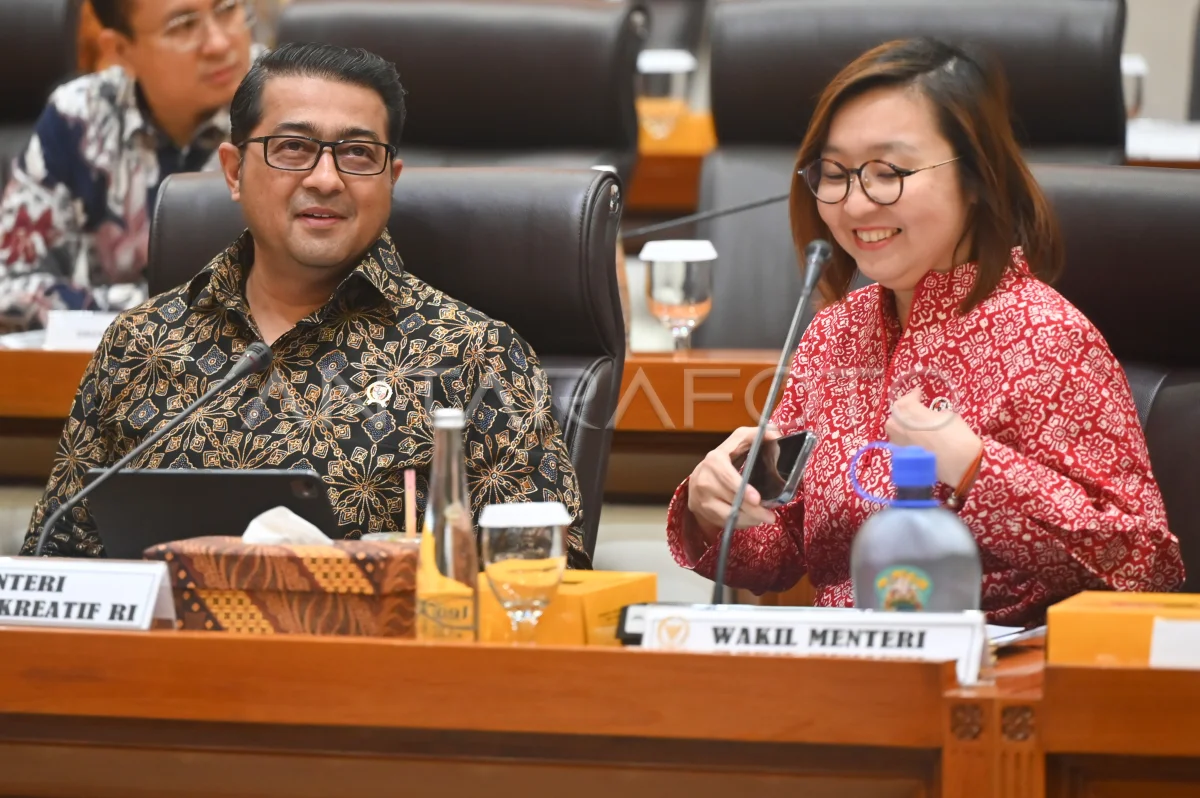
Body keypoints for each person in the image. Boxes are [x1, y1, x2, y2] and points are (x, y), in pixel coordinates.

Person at [667, 38, 1184, 626]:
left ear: (977, 177)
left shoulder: (1048, 338)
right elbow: (784, 551)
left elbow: (1144, 564)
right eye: (835, 174)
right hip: (844, 661)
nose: (856, 205)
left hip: (998, 668)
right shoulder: (833, 334)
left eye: (888, 172)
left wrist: (976, 470)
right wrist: (719, 507)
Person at [22, 42, 591, 568]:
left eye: (358, 153)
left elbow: (546, 578)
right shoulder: (139, 344)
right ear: (233, 171)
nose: (325, 179)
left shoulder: (476, 356)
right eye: (293, 148)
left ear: (390, 180)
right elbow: (56, 561)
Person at [0, 0, 258, 331]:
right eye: (183, 25)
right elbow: (8, 285)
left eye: (228, 8)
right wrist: (157, 311)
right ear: (120, 49)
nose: (219, 43)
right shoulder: (78, 116)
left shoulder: (288, 106)